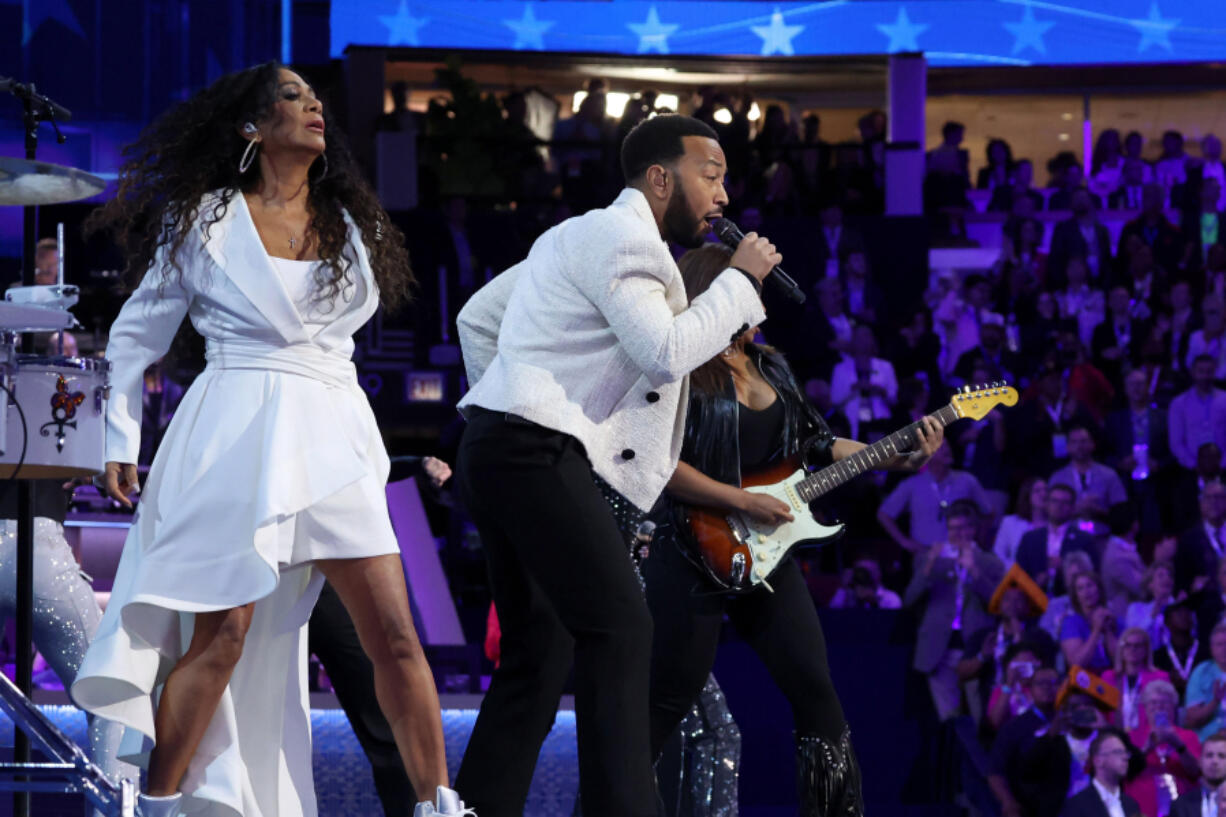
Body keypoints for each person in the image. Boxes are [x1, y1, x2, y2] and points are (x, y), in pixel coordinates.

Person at [70, 63, 469, 817]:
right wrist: (117, 438)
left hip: (333, 435)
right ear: (252, 127)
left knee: (396, 634)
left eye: (315, 97)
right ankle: (156, 806)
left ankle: (440, 806)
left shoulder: (353, 225)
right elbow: (132, 339)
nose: (314, 104)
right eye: (292, 96)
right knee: (220, 639)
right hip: (236, 435)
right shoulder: (206, 218)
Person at [452, 114, 776, 817]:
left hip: (502, 449)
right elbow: (665, 349)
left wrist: (497, 409)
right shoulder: (624, 238)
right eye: (711, 175)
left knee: (538, 658)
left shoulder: (571, 237)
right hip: (528, 451)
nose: (723, 196)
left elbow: (476, 320)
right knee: (622, 628)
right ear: (661, 178)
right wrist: (741, 283)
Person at [643, 242, 943, 814]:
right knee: (664, 704)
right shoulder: (678, 369)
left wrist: (896, 456)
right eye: (751, 288)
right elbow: (656, 465)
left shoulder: (771, 364)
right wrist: (741, 502)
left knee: (817, 694)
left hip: (768, 554)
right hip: (690, 550)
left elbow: (816, 443)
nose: (761, 301)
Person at [904, 500, 1005, 721]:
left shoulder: (991, 562)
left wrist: (974, 571)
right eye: (952, 528)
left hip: (975, 648)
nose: (957, 534)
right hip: (939, 648)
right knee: (949, 720)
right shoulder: (930, 560)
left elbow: (999, 605)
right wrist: (929, 564)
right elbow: (909, 599)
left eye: (962, 528)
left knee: (979, 718)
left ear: (973, 529)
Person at [877, 441, 992, 553]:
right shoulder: (912, 484)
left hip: (961, 554)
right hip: (925, 554)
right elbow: (884, 514)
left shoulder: (967, 481)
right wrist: (904, 542)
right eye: (940, 448)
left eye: (947, 446)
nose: (947, 450)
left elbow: (989, 513)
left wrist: (979, 540)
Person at [988, 663, 1060, 817]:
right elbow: (995, 771)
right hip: (1030, 805)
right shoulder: (1014, 727)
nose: (1048, 687)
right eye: (1041, 683)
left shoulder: (1070, 721)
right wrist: (1008, 802)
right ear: (1030, 689)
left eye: (1055, 683)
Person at [1127, 679, 1202, 816]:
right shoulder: (1133, 736)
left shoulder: (1188, 736)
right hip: (1141, 810)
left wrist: (1178, 744)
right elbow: (1125, 771)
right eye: (1153, 703)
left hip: (1183, 810)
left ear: (1174, 707)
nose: (1159, 707)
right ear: (1145, 708)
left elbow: (1196, 772)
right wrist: (1146, 749)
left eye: (1164, 702)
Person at [1016, 483, 1097, 595]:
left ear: (1073, 508)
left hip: (1071, 598)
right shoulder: (1029, 538)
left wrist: (1065, 567)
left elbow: (1093, 575)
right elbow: (1019, 574)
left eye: (1064, 503)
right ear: (1047, 504)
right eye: (1054, 501)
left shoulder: (1084, 540)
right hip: (1034, 600)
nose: (1059, 506)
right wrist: (1036, 581)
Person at [1059, 727, 1143, 817]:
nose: (1125, 757)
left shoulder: (1131, 805)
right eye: (1118, 752)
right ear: (1098, 760)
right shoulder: (1076, 806)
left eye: (1126, 753)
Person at [1103, 627, 1172, 731]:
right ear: (1121, 650)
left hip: (1149, 735)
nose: (1132, 649)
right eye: (1127, 645)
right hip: (1116, 735)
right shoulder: (1109, 677)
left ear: (1146, 650)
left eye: (1137, 646)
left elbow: (1164, 713)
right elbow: (1103, 713)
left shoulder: (1160, 677)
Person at [1169, 356, 1226, 474]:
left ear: (1214, 372)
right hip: (1191, 471)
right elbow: (1176, 442)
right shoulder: (1179, 403)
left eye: (1209, 372)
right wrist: (1193, 465)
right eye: (1201, 371)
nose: (1205, 376)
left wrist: (1223, 464)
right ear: (1193, 372)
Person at [1060, 571, 1121, 673]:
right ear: (1076, 596)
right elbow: (1076, 664)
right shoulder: (1070, 623)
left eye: (1090, 585)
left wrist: (1108, 630)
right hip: (1084, 682)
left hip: (1112, 678)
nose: (1086, 591)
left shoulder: (1114, 620)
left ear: (1099, 589)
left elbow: (1121, 661)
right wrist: (1096, 631)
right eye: (1080, 588)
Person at [1155, 597, 1209, 700]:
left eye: (1187, 611)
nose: (1184, 614)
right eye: (1178, 612)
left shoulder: (1206, 651)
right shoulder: (1158, 657)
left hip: (1203, 707)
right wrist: (1167, 679)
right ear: (1167, 621)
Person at [1124, 561, 1181, 649]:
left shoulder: (1181, 607)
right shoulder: (1136, 609)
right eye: (1161, 575)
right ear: (1150, 584)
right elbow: (1134, 639)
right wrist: (1153, 614)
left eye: (1170, 575)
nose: (1167, 579)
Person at [1170, 731, 1226, 817]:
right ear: (1200, 761)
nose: (1215, 761)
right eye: (1209, 755)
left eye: (1221, 756)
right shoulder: (1180, 805)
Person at [1185, 622, 1226, 742]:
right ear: (1211, 648)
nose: (1224, 648)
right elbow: (1192, 720)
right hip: (1208, 739)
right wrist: (1215, 702)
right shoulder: (1201, 672)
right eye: (1219, 644)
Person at [993, 478, 1048, 566]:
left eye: (1046, 490)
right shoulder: (1009, 522)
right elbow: (998, 555)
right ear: (1027, 496)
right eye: (1037, 491)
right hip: (1014, 575)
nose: (1044, 494)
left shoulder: (1054, 525)